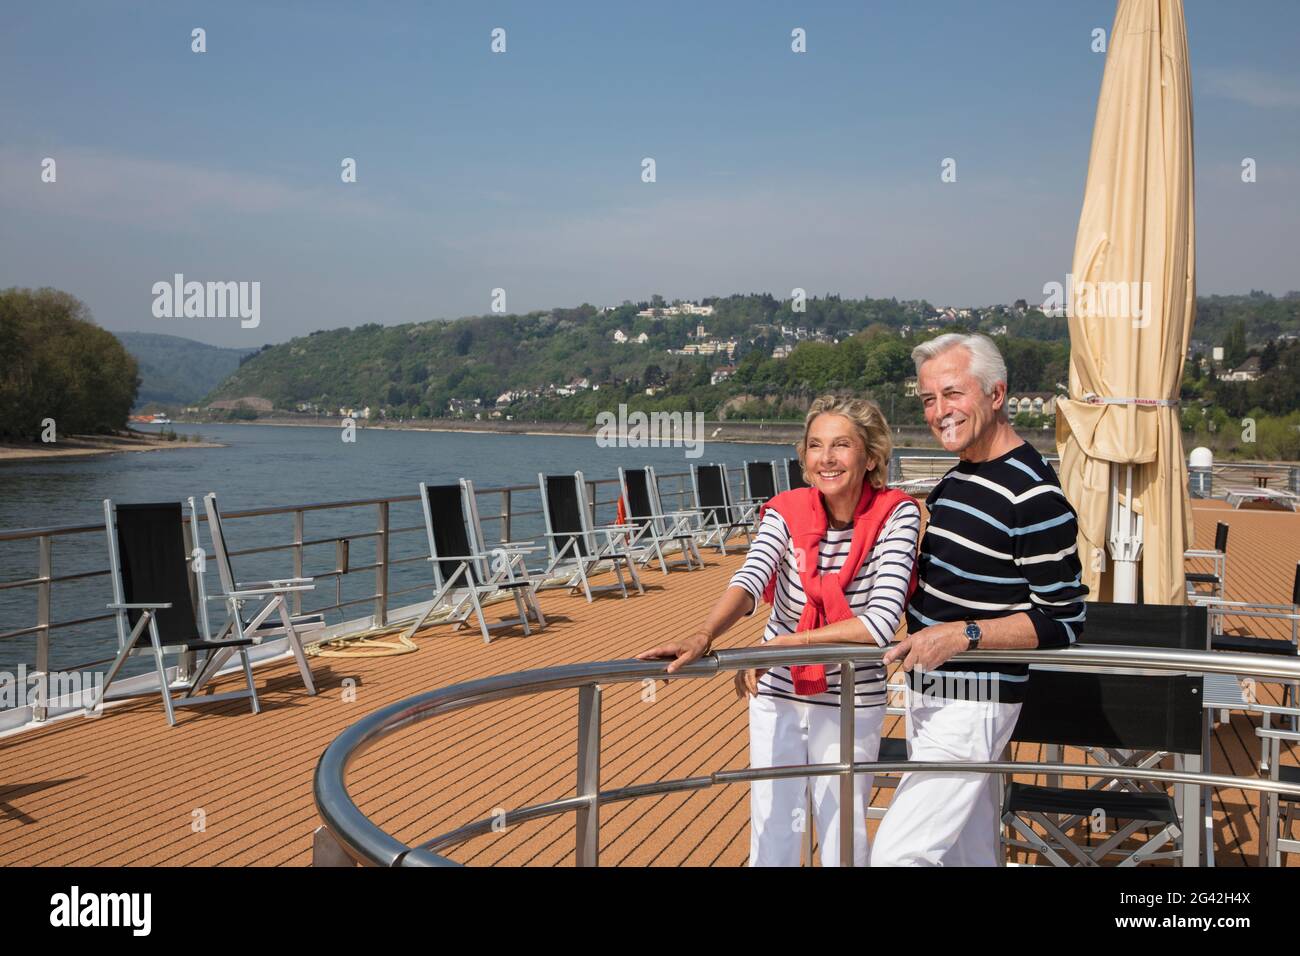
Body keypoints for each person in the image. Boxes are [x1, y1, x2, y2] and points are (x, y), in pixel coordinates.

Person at [638, 396, 920, 866]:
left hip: (851, 695)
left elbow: (879, 622)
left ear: (870, 456)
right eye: (815, 446)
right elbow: (751, 580)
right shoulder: (785, 511)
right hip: (778, 689)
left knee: (841, 830)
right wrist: (705, 634)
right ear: (804, 458)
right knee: (773, 824)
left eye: (841, 445)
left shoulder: (898, 514)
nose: (826, 458)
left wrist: (781, 645)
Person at [869, 333, 1088, 867]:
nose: (939, 411)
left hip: (974, 699)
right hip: (930, 692)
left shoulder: (1035, 496)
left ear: (996, 394)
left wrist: (963, 635)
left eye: (952, 394)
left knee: (898, 856)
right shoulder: (957, 478)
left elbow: (1064, 620)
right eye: (927, 400)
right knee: (967, 857)